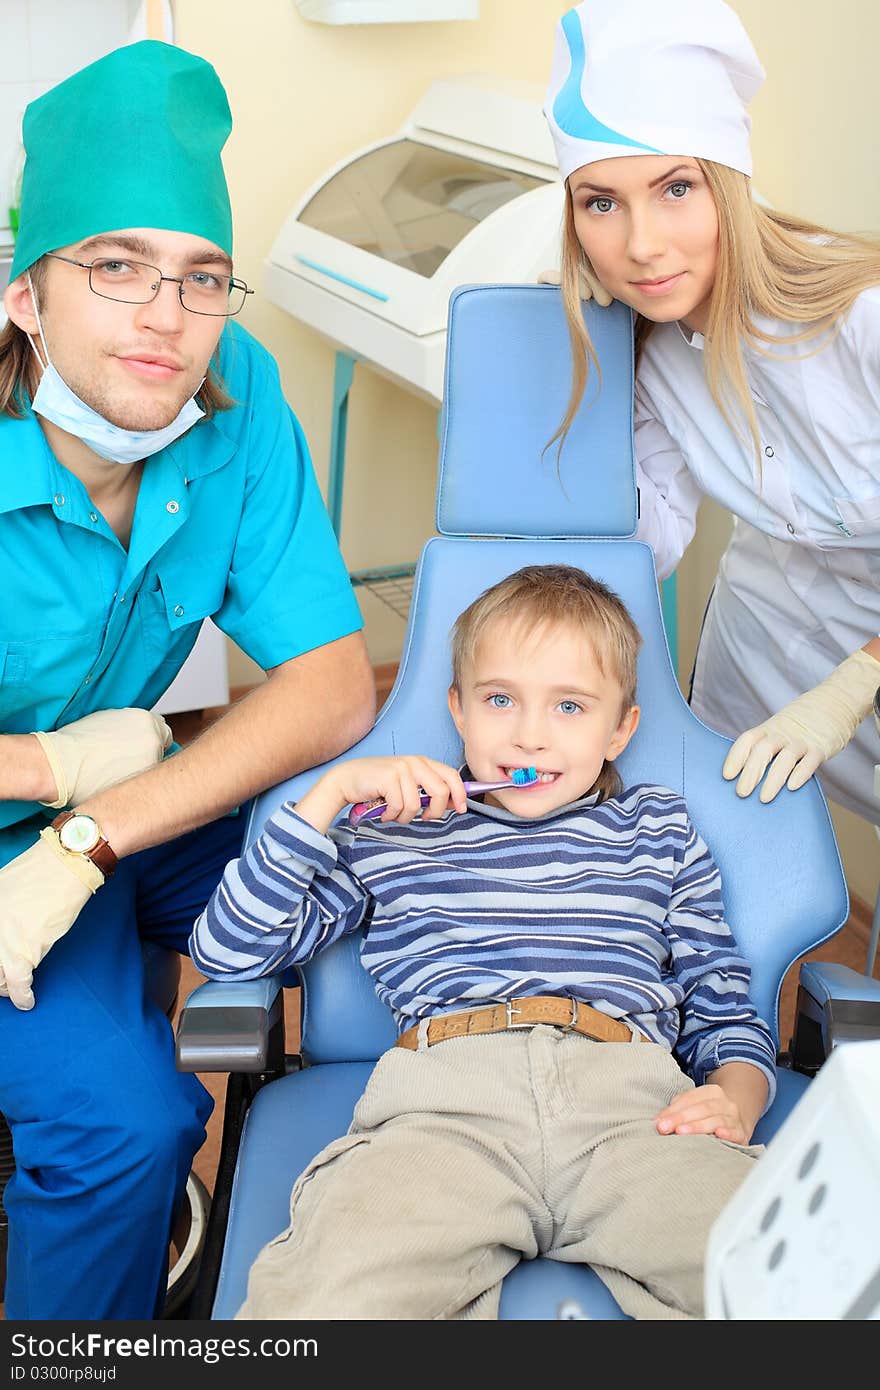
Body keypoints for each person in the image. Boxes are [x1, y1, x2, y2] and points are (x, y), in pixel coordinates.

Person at [0, 41, 375, 1320]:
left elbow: (330, 685)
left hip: (109, 817)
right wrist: (52, 779)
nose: (165, 315)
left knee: (392, 881)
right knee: (124, 1124)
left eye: (200, 277)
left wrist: (91, 817)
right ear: (25, 295)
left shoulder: (236, 397)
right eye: (115, 267)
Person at [191, 562, 775, 1321]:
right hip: (442, 1112)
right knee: (325, 1306)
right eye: (500, 699)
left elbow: (724, 1000)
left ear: (621, 728)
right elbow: (227, 951)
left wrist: (735, 1098)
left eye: (570, 705)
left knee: (792, 1289)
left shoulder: (657, 830)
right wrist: (325, 800)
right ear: (457, 710)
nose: (529, 733)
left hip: (635, 1111)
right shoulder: (387, 835)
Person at [543, 0, 880, 823]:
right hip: (766, 636)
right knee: (731, 863)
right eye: (601, 203)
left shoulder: (861, 316)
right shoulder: (648, 356)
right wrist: (582, 388)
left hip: (861, 661)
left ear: (729, 182)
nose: (644, 245)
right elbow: (648, 546)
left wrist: (857, 683)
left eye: (676, 188)